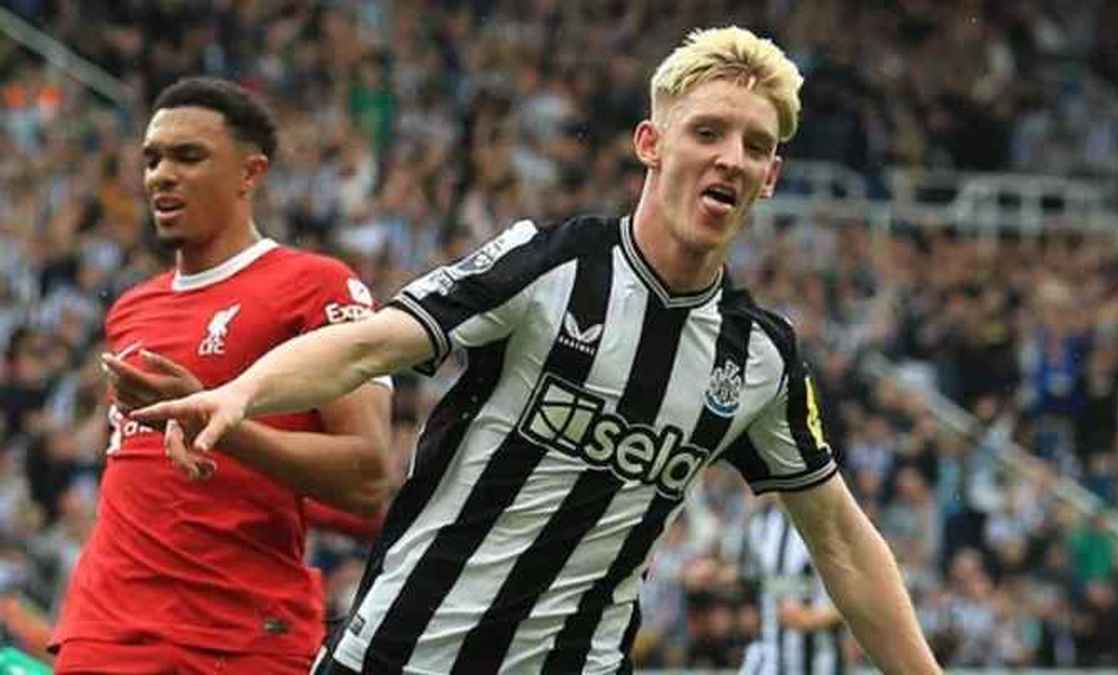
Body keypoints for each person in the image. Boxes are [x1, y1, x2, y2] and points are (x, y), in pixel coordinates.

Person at [136, 28, 941, 674]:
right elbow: (370, 344)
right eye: (707, 132)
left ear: (769, 178)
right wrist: (243, 391)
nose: (731, 156)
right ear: (651, 143)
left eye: (755, 145)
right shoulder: (552, 266)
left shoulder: (759, 356)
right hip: (400, 654)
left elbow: (839, 537)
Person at [50, 77, 394, 674]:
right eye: (152, 160)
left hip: (236, 637)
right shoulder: (131, 308)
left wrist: (215, 420)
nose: (161, 176)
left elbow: (367, 479)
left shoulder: (317, 286)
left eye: (188, 156)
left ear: (250, 173)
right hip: (103, 632)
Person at [737, 498, 845, 674]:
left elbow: (860, 599)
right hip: (769, 655)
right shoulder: (759, 524)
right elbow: (750, 582)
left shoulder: (828, 524)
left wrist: (814, 618)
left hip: (819, 659)